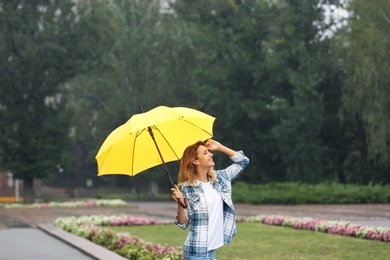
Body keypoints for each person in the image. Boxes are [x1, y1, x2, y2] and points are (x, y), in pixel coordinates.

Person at [171, 139, 250, 260]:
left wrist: (219, 147)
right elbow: (182, 224)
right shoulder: (186, 188)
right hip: (196, 251)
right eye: (205, 153)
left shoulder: (220, 179)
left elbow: (243, 161)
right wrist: (180, 203)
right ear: (195, 161)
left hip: (211, 251)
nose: (211, 154)